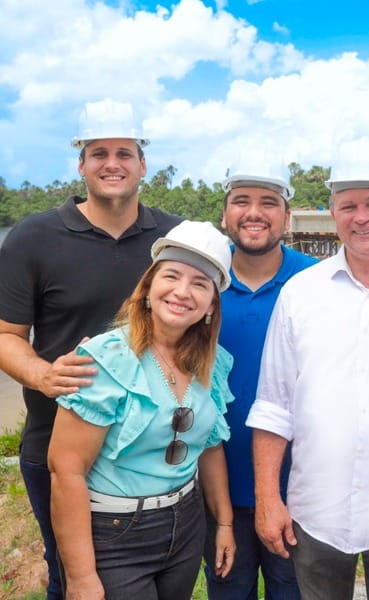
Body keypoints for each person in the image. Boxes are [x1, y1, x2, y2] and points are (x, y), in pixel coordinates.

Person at [247, 137, 369, 600]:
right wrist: (267, 499)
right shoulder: (300, 293)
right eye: (349, 205)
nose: (362, 217)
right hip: (315, 511)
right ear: (333, 212)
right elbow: (274, 405)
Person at [0, 98, 181, 600]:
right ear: (81, 164)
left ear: (143, 164)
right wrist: (39, 375)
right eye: (98, 152)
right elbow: (6, 335)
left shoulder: (172, 236)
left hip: (150, 452)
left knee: (158, 576)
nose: (112, 164)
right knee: (72, 577)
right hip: (58, 446)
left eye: (124, 152)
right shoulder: (34, 237)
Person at [47, 220, 236, 599]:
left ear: (211, 306)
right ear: (149, 287)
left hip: (185, 525)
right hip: (115, 533)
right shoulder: (105, 360)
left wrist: (225, 523)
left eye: (200, 283)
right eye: (172, 276)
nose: (183, 292)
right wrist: (82, 578)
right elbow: (66, 471)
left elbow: (210, 446)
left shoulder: (211, 365)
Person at [202, 162, 317, 599]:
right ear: (225, 214)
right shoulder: (201, 282)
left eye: (269, 202)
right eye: (242, 201)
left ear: (287, 217)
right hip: (217, 486)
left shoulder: (315, 281)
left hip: (299, 487)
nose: (255, 212)